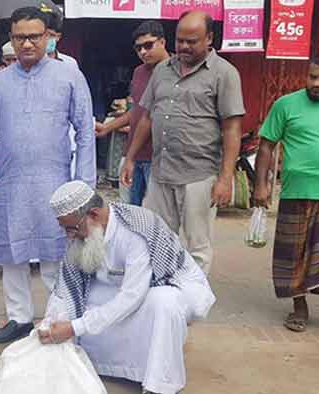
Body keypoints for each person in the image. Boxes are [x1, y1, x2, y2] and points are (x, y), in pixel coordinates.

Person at [0, 7, 96, 344]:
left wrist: (85, 184)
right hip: (11, 182)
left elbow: (85, 131)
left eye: (34, 36)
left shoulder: (70, 77)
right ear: (11, 40)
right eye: (20, 37)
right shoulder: (0, 82)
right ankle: (18, 318)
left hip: (55, 183)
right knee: (12, 256)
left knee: (53, 255)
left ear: (48, 37)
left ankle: (58, 319)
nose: (27, 43)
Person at [43, 180, 215, 394]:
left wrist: (75, 327)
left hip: (167, 285)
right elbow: (66, 288)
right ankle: (108, 366)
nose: (69, 235)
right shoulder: (82, 231)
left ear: (94, 215)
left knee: (163, 302)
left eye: (71, 228)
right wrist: (50, 322)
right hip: (119, 287)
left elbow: (132, 297)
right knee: (77, 309)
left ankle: (159, 384)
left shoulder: (136, 229)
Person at [121, 11, 245, 274]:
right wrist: (131, 158)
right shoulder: (162, 71)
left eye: (193, 41)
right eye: (180, 41)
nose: (185, 47)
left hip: (198, 175)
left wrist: (225, 177)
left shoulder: (224, 73)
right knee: (158, 237)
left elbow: (232, 128)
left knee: (196, 245)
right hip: (161, 170)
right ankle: (166, 296)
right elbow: (146, 118)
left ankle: (190, 305)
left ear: (209, 38)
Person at [253, 58, 319, 333]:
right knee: (293, 253)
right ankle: (299, 306)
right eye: (313, 77)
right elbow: (267, 146)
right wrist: (261, 185)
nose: (316, 84)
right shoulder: (286, 104)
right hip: (296, 191)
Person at [96, 21, 169, 206]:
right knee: (130, 213)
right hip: (133, 156)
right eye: (138, 48)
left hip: (160, 159)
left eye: (148, 45)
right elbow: (137, 110)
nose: (143, 52)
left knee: (156, 216)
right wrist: (107, 127)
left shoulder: (175, 73)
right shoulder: (139, 72)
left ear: (163, 42)